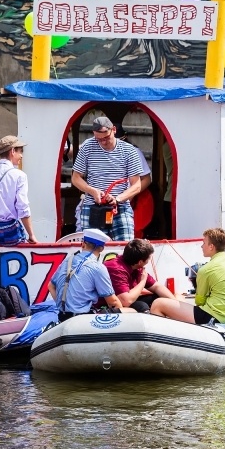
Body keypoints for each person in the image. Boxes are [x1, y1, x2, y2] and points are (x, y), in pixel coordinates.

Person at [150, 228, 225, 326]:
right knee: (178, 297)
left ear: (211, 247)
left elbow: (200, 302)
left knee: (158, 304)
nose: (201, 246)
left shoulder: (204, 270)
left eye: (204, 243)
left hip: (212, 317)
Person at [71, 113, 143, 241]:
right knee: (90, 250)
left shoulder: (129, 150)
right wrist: (92, 191)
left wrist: (118, 199)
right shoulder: (87, 146)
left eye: (106, 137)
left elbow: (137, 185)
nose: (103, 142)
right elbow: (75, 178)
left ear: (113, 130)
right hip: (92, 206)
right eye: (98, 139)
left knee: (125, 248)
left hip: (120, 207)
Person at [47, 228, 133, 320]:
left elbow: (51, 286)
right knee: (132, 311)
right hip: (82, 318)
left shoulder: (68, 260)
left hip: (62, 316)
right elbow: (113, 302)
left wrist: (63, 307)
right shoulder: (98, 267)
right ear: (102, 248)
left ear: (83, 244)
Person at [104, 238, 181, 313]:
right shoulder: (117, 269)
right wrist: (143, 281)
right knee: (142, 306)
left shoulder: (135, 265)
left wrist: (175, 303)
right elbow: (126, 301)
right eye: (148, 258)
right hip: (107, 307)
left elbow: (157, 287)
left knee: (159, 299)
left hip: (126, 301)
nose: (149, 260)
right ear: (140, 262)